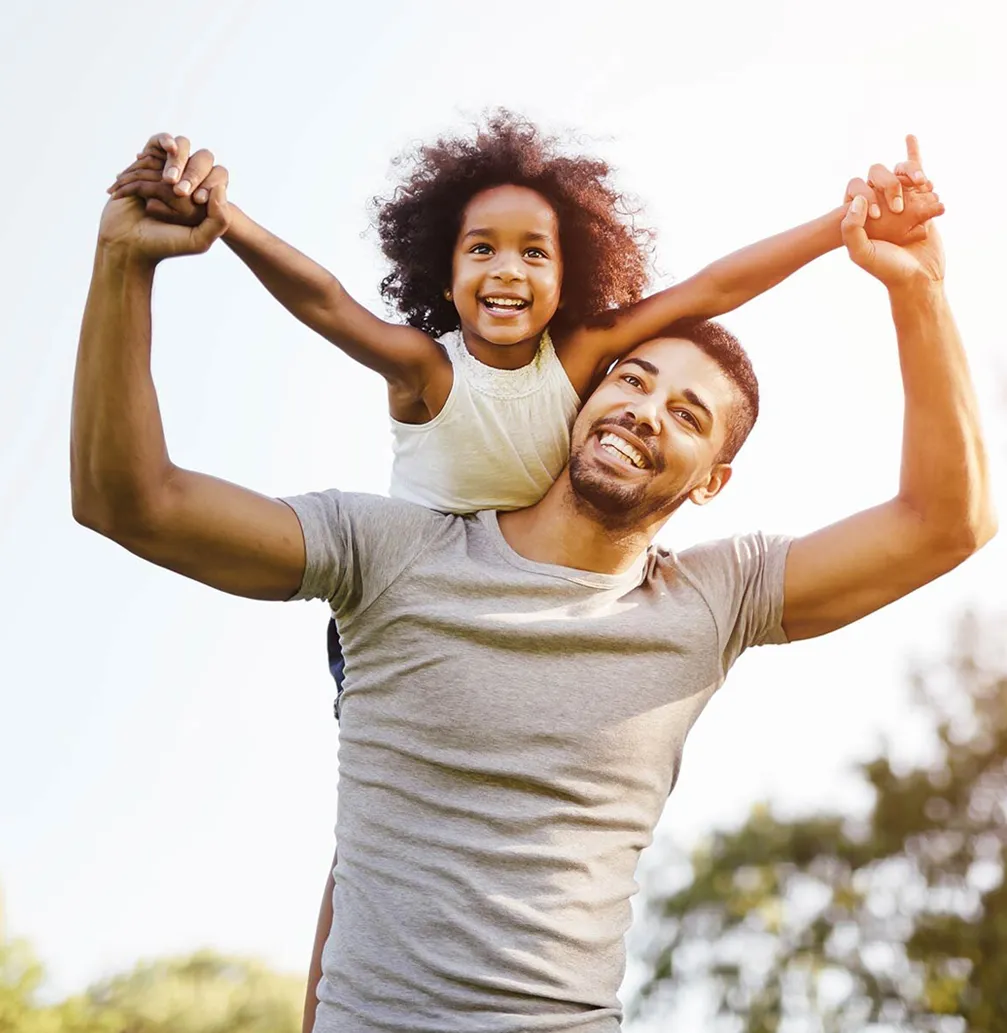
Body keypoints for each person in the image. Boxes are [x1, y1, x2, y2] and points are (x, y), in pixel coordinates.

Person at [74, 140, 994, 1032]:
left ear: (711, 479)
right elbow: (131, 499)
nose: (642, 408)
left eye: (685, 413)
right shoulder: (390, 550)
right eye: (632, 379)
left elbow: (944, 521)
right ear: (585, 394)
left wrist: (917, 290)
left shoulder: (714, 601)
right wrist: (125, 265)